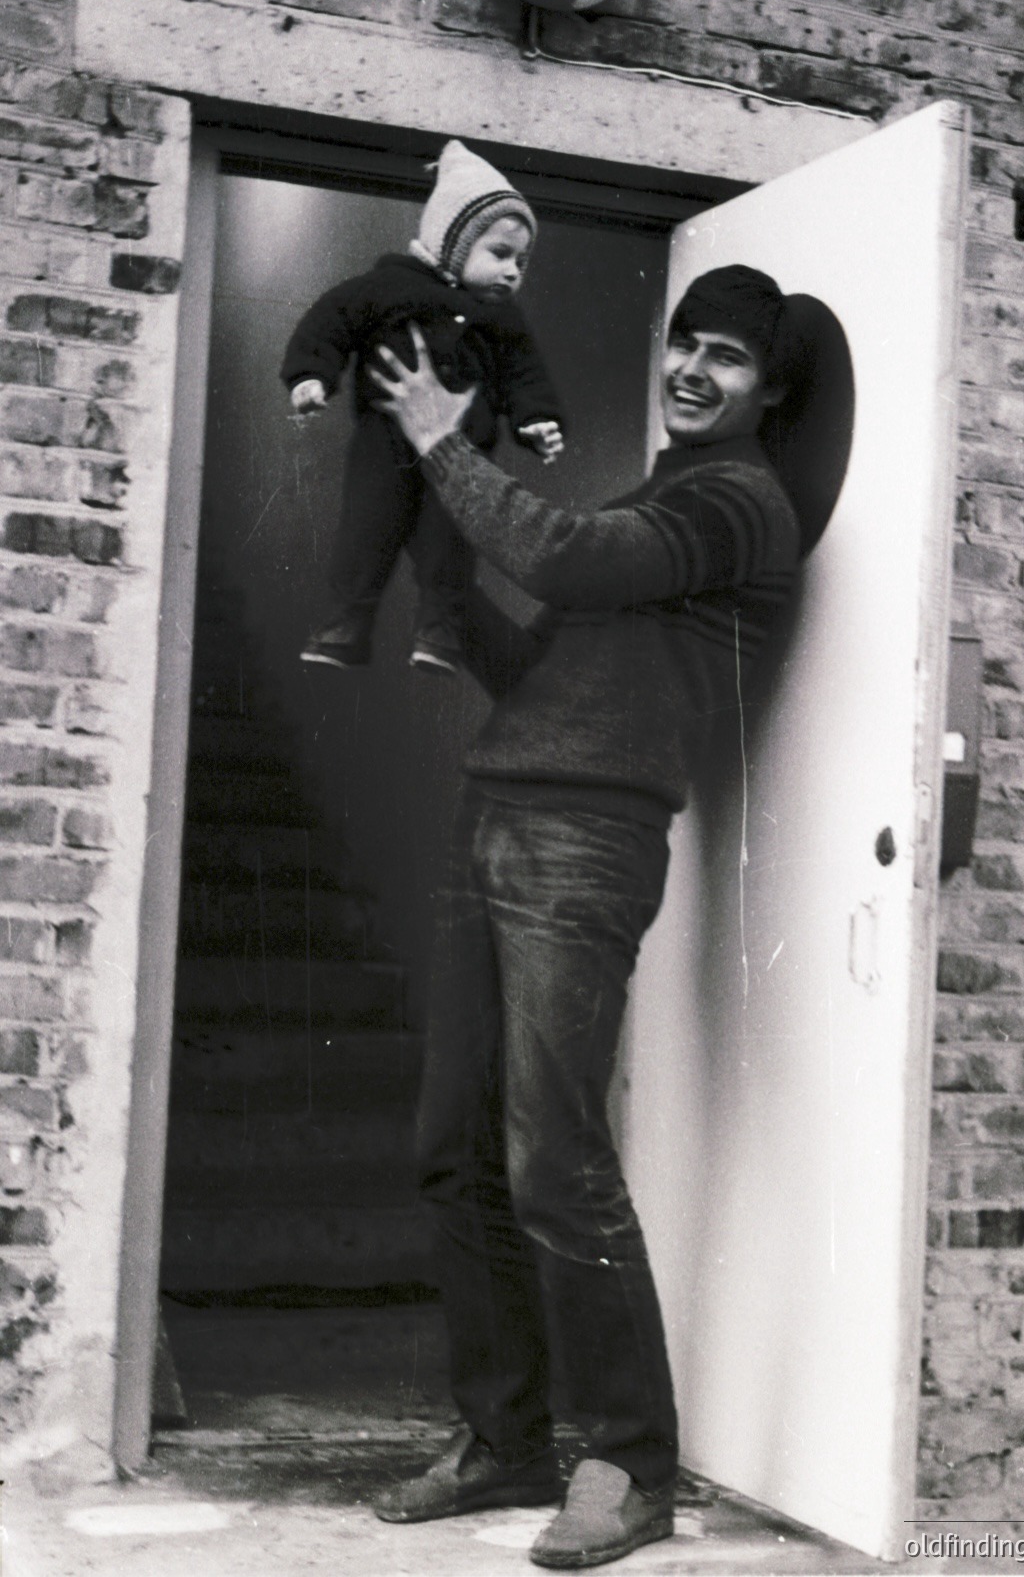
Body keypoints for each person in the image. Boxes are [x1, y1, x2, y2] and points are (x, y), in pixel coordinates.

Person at [368, 266, 802, 1570]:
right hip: (494, 808)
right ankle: (503, 1438)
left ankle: (630, 1459)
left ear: (766, 388)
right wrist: (441, 580)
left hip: (587, 841)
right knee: (454, 1143)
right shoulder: (654, 501)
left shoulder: (735, 505)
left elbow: (557, 551)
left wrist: (445, 443)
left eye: (724, 357)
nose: (691, 369)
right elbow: (537, 672)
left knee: (552, 1155)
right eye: (685, 345)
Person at [281, 139, 565, 674]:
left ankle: (440, 633)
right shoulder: (387, 287)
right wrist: (311, 375)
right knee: (366, 529)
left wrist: (537, 422)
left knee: (450, 545)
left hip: (462, 456)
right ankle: (344, 625)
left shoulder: (503, 320)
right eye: (500, 254)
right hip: (383, 439)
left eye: (521, 262)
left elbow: (526, 375)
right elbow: (330, 321)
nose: (512, 272)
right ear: (453, 246)